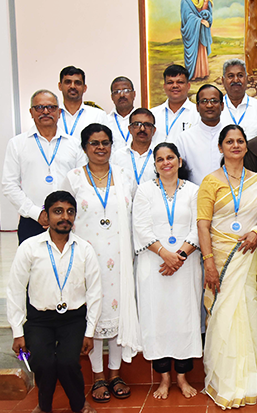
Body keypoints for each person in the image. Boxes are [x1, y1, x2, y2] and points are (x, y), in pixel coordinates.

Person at [60, 123, 141, 404]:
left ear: (111, 146)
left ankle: (115, 374)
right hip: (87, 258)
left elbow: (134, 214)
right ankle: (97, 376)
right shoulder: (73, 179)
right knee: (93, 313)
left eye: (105, 142)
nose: (100, 147)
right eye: (94, 143)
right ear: (85, 147)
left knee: (118, 311)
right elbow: (64, 216)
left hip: (120, 257)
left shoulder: (123, 175)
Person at [8, 190, 101, 413]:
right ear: (46, 215)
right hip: (39, 319)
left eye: (70, 212)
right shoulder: (29, 247)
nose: (64, 217)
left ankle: (79, 404)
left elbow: (95, 292)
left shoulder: (85, 249)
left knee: (68, 362)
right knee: (44, 363)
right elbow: (16, 290)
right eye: (58, 211)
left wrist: (89, 332)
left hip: (73, 319)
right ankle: (44, 406)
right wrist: (17, 331)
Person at [197, 125, 257, 408]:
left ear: (246, 146)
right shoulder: (210, 182)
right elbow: (203, 225)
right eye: (230, 141)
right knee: (222, 316)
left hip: (248, 256)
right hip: (220, 258)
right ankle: (222, 380)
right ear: (220, 147)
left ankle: (249, 380)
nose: (235, 145)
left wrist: (256, 233)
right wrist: (209, 263)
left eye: (240, 141)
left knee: (247, 314)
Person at [132, 142, 201, 399]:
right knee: (156, 319)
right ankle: (163, 378)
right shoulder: (144, 190)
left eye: (170, 157)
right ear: (155, 165)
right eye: (160, 159)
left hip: (186, 264)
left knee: (184, 318)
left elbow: (199, 226)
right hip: (154, 265)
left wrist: (179, 256)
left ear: (179, 161)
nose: (166, 163)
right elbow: (140, 227)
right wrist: (165, 254)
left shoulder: (193, 190)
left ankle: (182, 377)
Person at [3, 89, 86, 244]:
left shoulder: (74, 145)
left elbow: (82, 183)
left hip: (70, 221)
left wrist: (67, 212)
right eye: (40, 107)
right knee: (32, 260)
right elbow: (9, 185)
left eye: (51, 107)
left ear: (59, 113)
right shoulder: (17, 144)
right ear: (31, 112)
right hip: (32, 220)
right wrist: (37, 213)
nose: (46, 111)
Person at [175, 84, 225, 185]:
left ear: (222, 106)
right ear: (197, 107)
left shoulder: (231, 136)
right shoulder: (185, 138)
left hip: (228, 193)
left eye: (214, 101)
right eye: (204, 101)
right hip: (195, 193)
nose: (209, 105)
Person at [111, 108, 158, 195]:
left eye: (147, 125)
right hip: (125, 202)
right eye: (137, 124)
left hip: (153, 201)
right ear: (130, 129)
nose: (142, 129)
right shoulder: (118, 156)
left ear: (154, 130)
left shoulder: (160, 156)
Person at [150, 65, 199, 143]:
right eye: (170, 82)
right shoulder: (153, 114)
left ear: (188, 86)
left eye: (180, 82)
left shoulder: (198, 114)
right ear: (164, 86)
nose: (175, 86)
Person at [57, 66, 108, 140]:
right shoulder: (52, 115)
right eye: (68, 82)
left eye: (77, 83)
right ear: (60, 86)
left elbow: (106, 143)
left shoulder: (98, 115)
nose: (72, 86)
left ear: (84, 88)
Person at [220, 59, 257, 138]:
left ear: (247, 79)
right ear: (223, 81)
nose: (236, 80)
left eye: (240, 75)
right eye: (231, 76)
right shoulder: (216, 109)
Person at [180, 0, 213, 80]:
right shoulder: (185, 1)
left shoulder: (202, 1)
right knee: (194, 51)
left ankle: (202, 73)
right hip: (192, 32)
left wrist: (206, 4)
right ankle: (194, 74)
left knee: (201, 49)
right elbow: (187, 16)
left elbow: (205, 15)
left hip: (201, 32)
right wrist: (199, 21)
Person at [106, 76, 136, 151]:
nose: (122, 95)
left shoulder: (143, 121)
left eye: (126, 91)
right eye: (117, 92)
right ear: (112, 97)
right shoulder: (105, 121)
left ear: (134, 94)